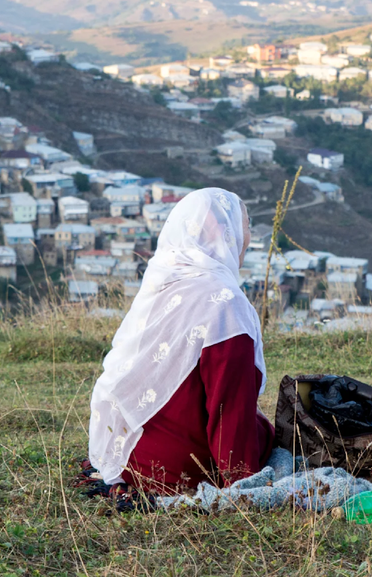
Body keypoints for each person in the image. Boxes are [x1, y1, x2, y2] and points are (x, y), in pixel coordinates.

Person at [88, 187, 273, 491]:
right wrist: (242, 482)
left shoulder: (164, 282)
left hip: (131, 455)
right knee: (265, 432)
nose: (248, 238)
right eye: (246, 226)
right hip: (177, 469)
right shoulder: (225, 303)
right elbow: (230, 409)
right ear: (226, 234)